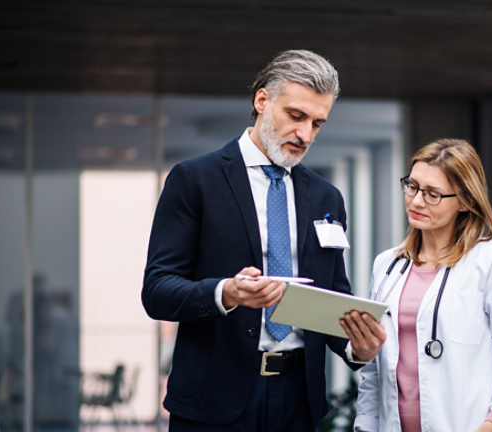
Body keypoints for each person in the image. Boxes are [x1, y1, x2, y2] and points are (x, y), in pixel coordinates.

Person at [142, 50, 386, 432]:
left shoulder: (327, 198)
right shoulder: (195, 180)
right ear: (261, 101)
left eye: (317, 123)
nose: (305, 134)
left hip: (298, 403)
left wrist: (357, 347)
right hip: (214, 400)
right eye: (296, 116)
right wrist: (228, 292)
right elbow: (157, 291)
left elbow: (331, 294)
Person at [352, 139, 492, 432]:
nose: (416, 201)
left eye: (432, 194)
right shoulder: (387, 265)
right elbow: (374, 369)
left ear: (466, 201)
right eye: (413, 186)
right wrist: (365, 426)